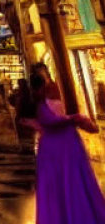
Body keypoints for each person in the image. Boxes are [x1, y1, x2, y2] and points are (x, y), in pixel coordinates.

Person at [28, 64, 105, 223]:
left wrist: (73, 119)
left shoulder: (47, 100)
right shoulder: (42, 103)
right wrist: (75, 119)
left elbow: (49, 120)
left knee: (68, 182)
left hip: (61, 146)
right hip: (58, 147)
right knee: (65, 183)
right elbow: (49, 120)